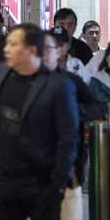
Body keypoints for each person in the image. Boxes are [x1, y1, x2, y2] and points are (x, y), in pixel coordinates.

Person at [0, 23, 79, 220]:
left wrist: (57, 183)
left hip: (41, 182)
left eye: (13, 44)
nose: (6, 49)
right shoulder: (7, 77)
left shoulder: (59, 86)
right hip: (6, 178)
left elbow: (68, 139)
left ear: (31, 50)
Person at [43, 30, 105, 220]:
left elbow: (97, 107)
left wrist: (76, 112)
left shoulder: (74, 76)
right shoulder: (32, 76)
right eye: (53, 45)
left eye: (62, 44)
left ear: (68, 46)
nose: (58, 49)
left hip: (70, 162)